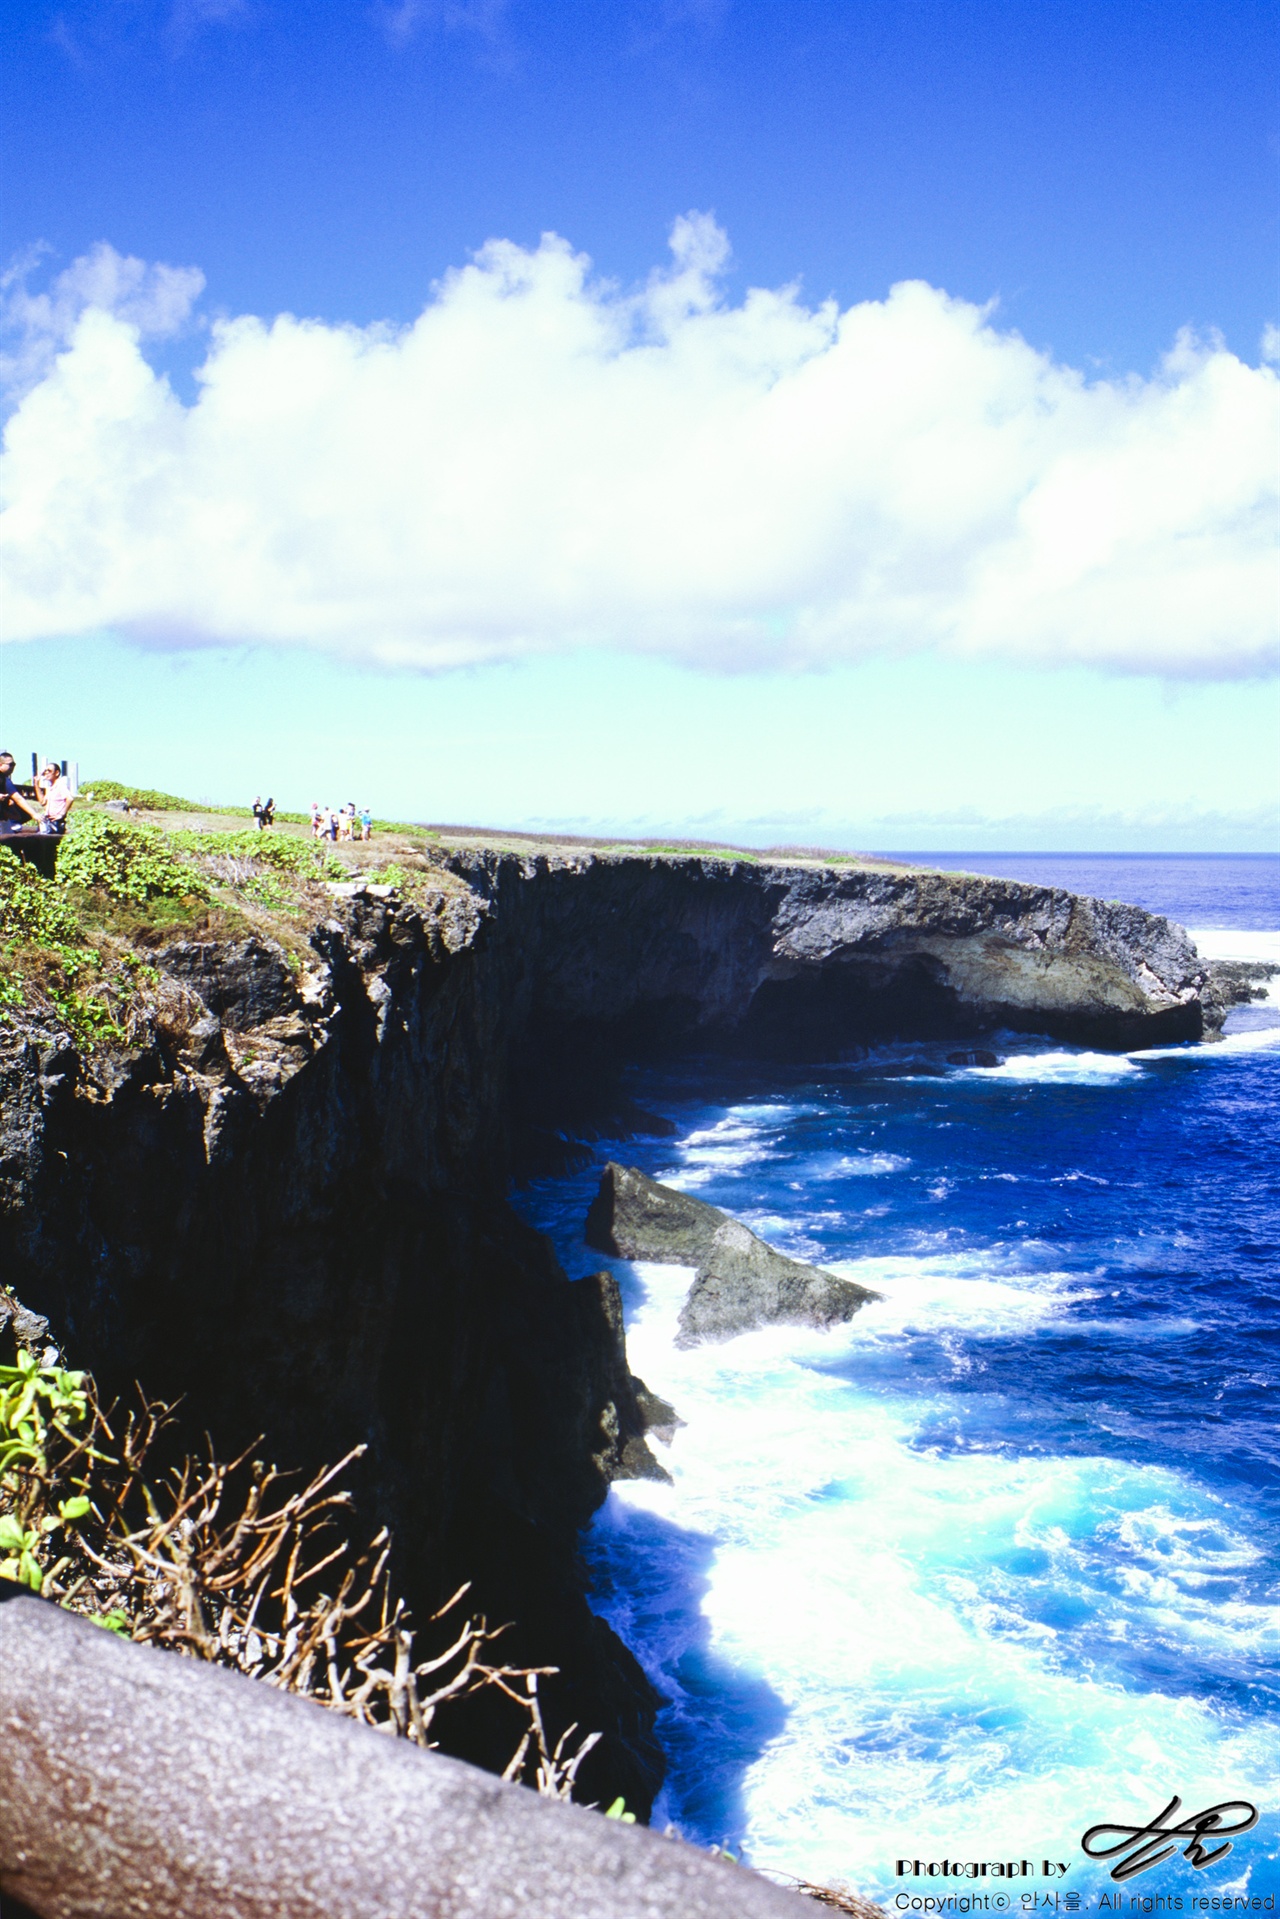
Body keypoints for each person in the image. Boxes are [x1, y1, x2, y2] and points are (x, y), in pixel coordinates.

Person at [0, 751, 41, 829]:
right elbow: (18, 798)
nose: (13, 767)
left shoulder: (5, 779)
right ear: (1, 765)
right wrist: (34, 814)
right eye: (11, 765)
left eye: (14, 764)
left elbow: (17, 798)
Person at [39, 762, 77, 835]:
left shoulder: (60, 785)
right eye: (45, 771)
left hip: (56, 822)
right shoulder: (50, 787)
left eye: (49, 771)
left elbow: (70, 799)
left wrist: (62, 814)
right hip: (48, 821)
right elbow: (43, 802)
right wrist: (36, 784)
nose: (46, 773)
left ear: (56, 773)